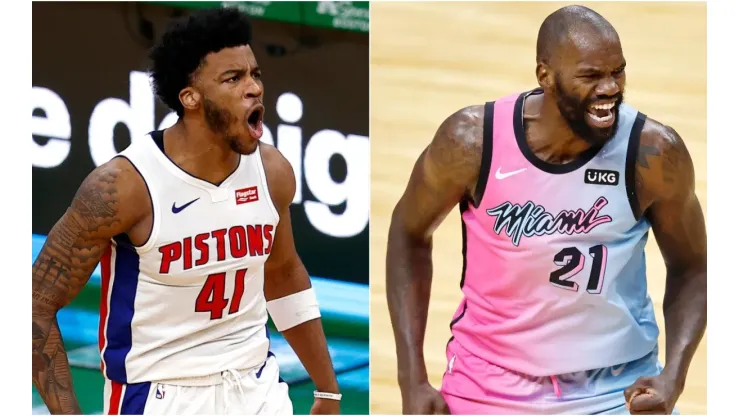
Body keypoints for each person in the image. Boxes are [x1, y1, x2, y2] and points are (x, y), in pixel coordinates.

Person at [386, 5, 706, 415]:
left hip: (616, 390)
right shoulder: (471, 142)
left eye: (618, 72)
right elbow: (408, 232)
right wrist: (410, 380)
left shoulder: (654, 153)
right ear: (545, 76)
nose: (610, 87)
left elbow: (694, 266)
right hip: (488, 385)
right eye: (591, 76)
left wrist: (673, 377)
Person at [31, 8, 342, 415]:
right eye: (233, 78)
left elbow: (282, 275)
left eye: (256, 74)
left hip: (255, 384)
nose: (254, 89)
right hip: (160, 393)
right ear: (190, 97)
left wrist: (328, 389)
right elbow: (36, 305)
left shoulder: (272, 171)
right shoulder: (124, 186)